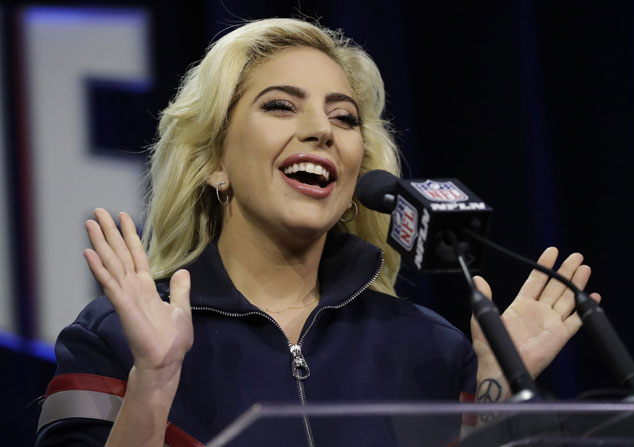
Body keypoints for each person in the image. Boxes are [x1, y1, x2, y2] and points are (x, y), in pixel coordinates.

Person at [35, 18, 600, 447]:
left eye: (344, 117)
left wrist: (497, 382)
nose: (320, 131)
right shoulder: (111, 338)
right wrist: (154, 379)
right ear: (215, 163)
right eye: (281, 106)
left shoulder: (431, 348)